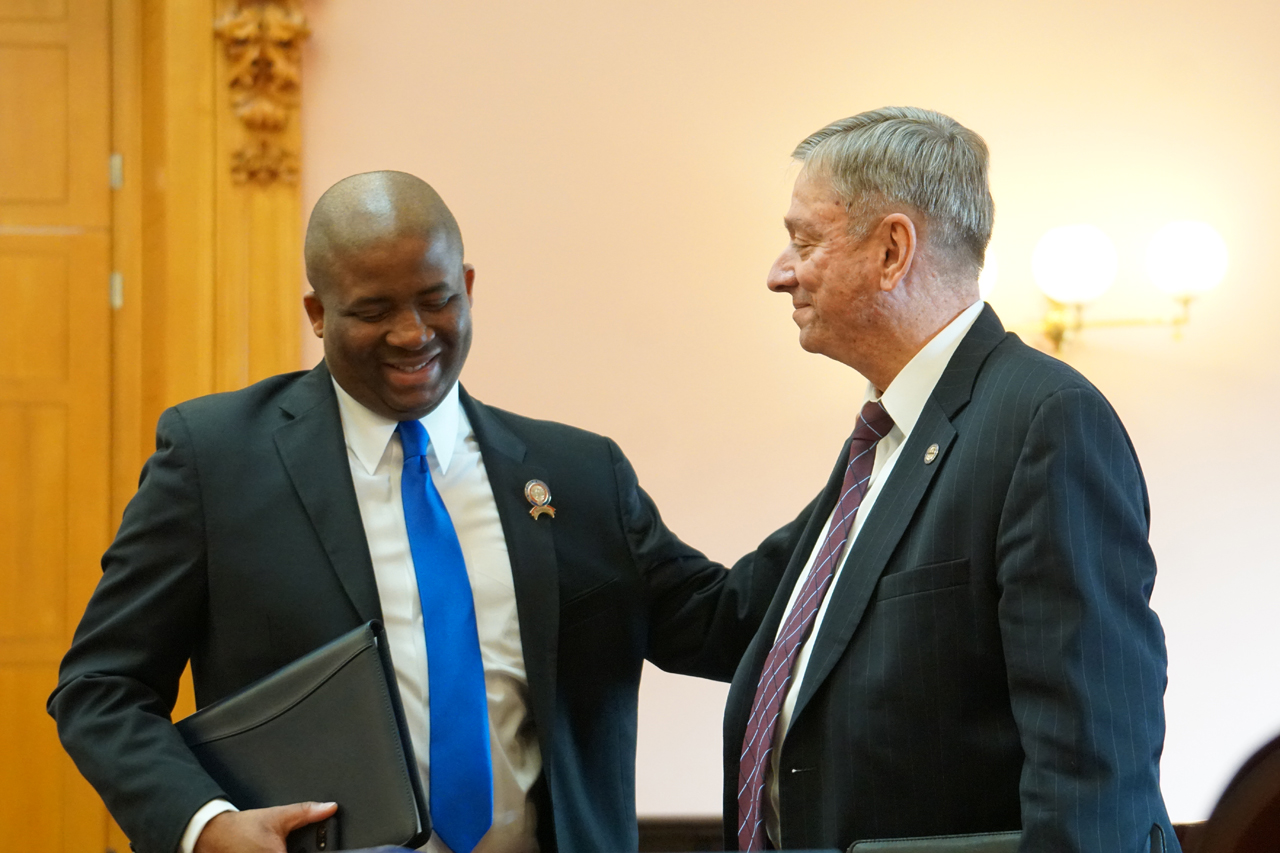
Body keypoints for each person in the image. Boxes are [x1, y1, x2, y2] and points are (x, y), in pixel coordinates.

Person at [49, 171, 799, 853]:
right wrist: (205, 824)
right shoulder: (215, 461)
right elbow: (101, 689)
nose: (413, 335)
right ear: (317, 311)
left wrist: (876, 464)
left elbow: (727, 625)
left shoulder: (579, 475)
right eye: (373, 310)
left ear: (468, 284)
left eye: (437, 299)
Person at [722, 108, 1179, 852]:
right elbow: (743, 617)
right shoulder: (886, 438)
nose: (780, 272)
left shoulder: (1045, 422)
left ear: (893, 249)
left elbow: (1091, 765)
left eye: (804, 241)